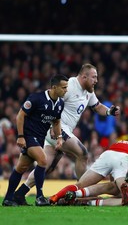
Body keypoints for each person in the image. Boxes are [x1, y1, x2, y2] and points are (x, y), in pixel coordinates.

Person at [12, 63, 121, 205]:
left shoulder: (89, 91)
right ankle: (81, 193)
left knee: (47, 166)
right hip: (58, 129)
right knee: (82, 153)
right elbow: (52, 101)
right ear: (84, 77)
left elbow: (97, 106)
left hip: (62, 130)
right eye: (94, 77)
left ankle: (20, 194)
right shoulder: (69, 86)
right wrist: (53, 127)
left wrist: (109, 111)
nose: (96, 80)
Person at [2, 74, 68, 206]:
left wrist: (59, 137)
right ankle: (39, 197)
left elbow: (56, 121)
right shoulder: (36, 98)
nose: (66, 90)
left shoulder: (60, 103)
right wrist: (20, 136)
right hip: (28, 136)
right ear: (54, 87)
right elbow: (20, 115)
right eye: (64, 87)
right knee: (43, 160)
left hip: (39, 138)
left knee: (20, 168)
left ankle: (9, 199)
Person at [49, 140, 128, 205]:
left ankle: (55, 197)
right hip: (123, 159)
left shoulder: (119, 143)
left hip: (107, 155)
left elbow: (112, 175)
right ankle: (91, 202)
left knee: (80, 184)